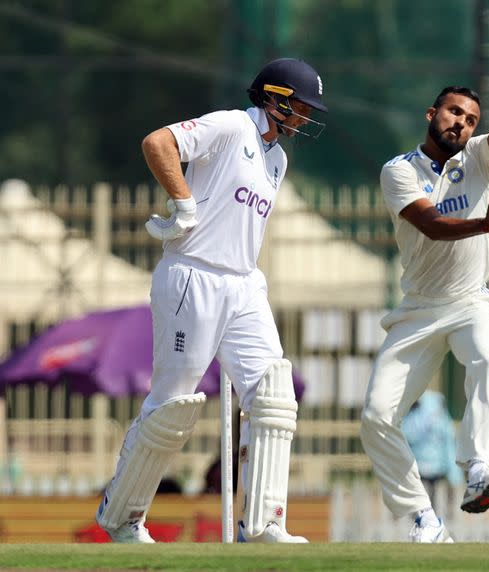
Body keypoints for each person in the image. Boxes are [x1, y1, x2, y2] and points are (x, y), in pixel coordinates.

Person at [95, 58, 327, 544]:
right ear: (274, 98)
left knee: (273, 396)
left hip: (244, 283)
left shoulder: (277, 160)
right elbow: (158, 143)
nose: (305, 118)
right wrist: (183, 204)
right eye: (300, 107)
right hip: (192, 275)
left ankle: (263, 523)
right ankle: (122, 518)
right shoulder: (230, 125)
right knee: (173, 406)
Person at [359, 37, 489, 543]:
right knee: (374, 417)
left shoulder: (478, 158)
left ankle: (477, 470)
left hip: (471, 298)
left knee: (484, 352)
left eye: (471, 119)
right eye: (454, 113)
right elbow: (431, 225)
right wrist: (486, 224)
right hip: (418, 310)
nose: (462, 123)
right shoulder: (399, 171)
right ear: (432, 113)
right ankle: (422, 519)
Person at [401, 391, 463, 508]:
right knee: (432, 502)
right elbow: (449, 441)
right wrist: (454, 475)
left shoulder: (413, 415)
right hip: (431, 467)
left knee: (422, 501)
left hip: (421, 466)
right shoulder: (440, 415)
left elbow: (406, 436)